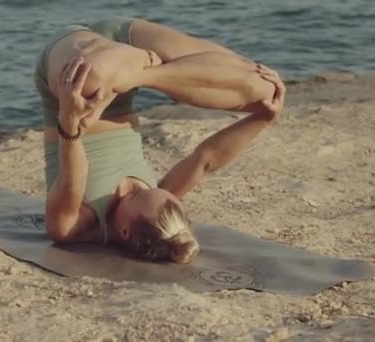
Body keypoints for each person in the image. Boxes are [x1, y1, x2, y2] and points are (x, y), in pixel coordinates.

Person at [34, 17, 286, 263]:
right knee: (266, 90)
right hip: (121, 58)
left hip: (79, 70)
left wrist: (68, 119)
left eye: (137, 196)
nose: (143, 187)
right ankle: (144, 72)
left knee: (91, 78)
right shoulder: (161, 200)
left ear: (124, 232)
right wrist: (264, 118)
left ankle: (143, 66)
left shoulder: (71, 226)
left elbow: (73, 175)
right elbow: (205, 161)